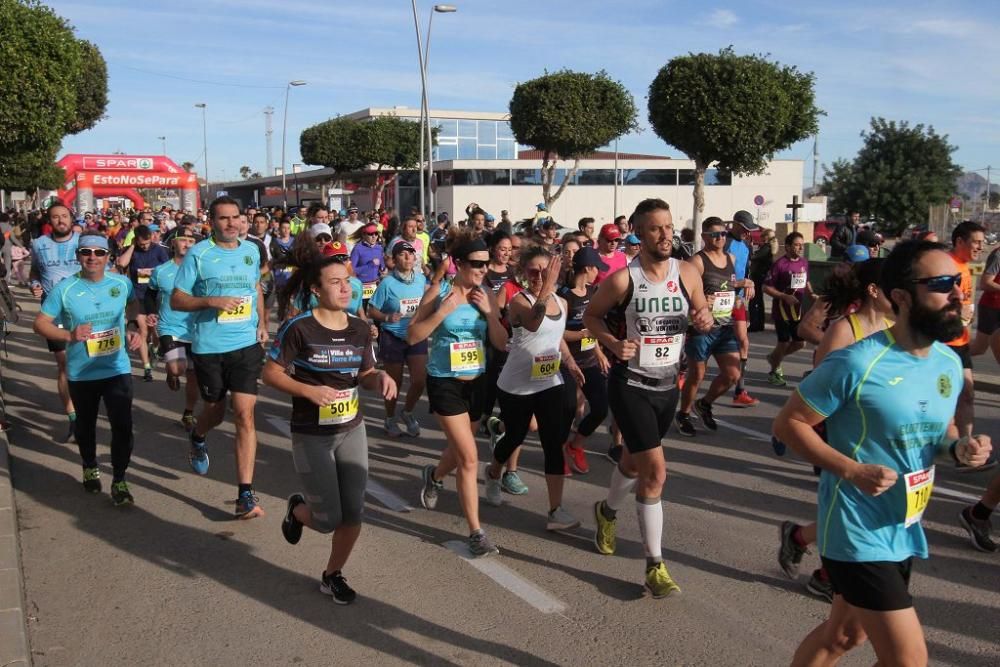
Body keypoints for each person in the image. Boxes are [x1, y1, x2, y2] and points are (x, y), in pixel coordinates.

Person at [773, 239, 992, 667]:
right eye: (943, 284)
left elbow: (938, 437)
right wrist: (851, 470)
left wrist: (959, 448)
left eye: (960, 284)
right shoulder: (858, 362)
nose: (957, 294)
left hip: (903, 524)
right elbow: (789, 424)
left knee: (842, 637)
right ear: (901, 297)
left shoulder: (946, 363)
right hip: (855, 529)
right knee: (909, 661)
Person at [584, 198, 713, 598]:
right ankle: (655, 566)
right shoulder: (624, 279)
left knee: (633, 463)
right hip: (631, 384)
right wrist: (611, 342)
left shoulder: (688, 271)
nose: (665, 235)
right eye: (655, 228)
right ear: (638, 233)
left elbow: (702, 309)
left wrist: (704, 317)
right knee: (656, 473)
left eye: (669, 227)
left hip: (666, 386)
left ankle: (606, 511)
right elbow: (591, 316)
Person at [263, 244, 396, 605]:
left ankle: (332, 574)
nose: (344, 288)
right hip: (312, 435)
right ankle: (297, 510)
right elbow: (270, 373)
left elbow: (365, 373)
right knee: (326, 519)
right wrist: (308, 390)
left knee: (353, 512)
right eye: (334, 282)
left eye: (347, 281)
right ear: (317, 290)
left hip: (352, 428)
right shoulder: (298, 328)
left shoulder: (359, 328)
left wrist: (379, 378)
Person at [777, 258, 892, 602]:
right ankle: (828, 576)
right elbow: (820, 380)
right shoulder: (845, 329)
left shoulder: (894, 325)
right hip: (838, 431)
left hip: (874, 432)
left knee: (857, 507)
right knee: (852, 507)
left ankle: (799, 539)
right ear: (874, 290)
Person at [410, 228, 508, 557]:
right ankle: (476, 532)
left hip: (478, 383)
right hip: (445, 381)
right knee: (469, 458)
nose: (482, 269)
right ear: (457, 263)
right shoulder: (437, 293)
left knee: (458, 450)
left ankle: (434, 476)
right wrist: (441, 313)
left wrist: (491, 314)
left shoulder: (487, 294)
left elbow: (501, 343)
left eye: (485, 263)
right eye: (475, 264)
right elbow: (412, 336)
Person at [171, 196, 269, 519]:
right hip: (209, 347)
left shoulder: (251, 251)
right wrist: (211, 301)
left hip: (245, 344)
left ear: (242, 219)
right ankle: (198, 435)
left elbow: (255, 289)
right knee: (214, 411)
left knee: (244, 414)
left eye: (235, 217)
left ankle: (245, 494)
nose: (231, 223)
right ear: (211, 222)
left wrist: (263, 324)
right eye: (223, 218)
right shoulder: (199, 255)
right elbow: (177, 299)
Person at [32, 232, 143, 505]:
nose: (92, 257)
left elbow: (132, 304)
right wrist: (70, 335)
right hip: (82, 372)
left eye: (99, 253)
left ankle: (119, 480)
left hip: (117, 367)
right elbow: (40, 324)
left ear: (108, 257)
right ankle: (89, 464)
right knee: (86, 426)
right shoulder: (65, 289)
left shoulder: (121, 283)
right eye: (86, 252)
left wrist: (131, 327)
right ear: (78, 256)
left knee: (123, 426)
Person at [483, 247, 584, 531]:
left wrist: (571, 362)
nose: (540, 276)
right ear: (523, 274)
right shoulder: (519, 301)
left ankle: (555, 510)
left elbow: (557, 336)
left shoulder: (562, 303)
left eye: (545, 271)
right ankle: (493, 472)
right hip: (516, 385)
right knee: (515, 436)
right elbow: (534, 321)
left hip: (549, 382)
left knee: (553, 444)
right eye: (533, 271)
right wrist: (547, 288)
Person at [675, 217, 752, 438]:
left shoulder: (730, 257)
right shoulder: (697, 262)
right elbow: (681, 292)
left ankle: (705, 403)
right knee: (697, 375)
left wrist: (741, 291)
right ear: (704, 237)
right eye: (715, 235)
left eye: (723, 234)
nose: (720, 238)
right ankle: (684, 413)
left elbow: (727, 286)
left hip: (724, 326)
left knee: (732, 374)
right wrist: (698, 303)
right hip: (701, 328)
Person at [29, 203, 80, 442]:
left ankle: (86, 408)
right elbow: (34, 273)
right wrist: (34, 285)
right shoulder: (39, 244)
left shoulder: (83, 242)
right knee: (65, 364)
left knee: (86, 364)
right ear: (49, 220)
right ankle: (74, 419)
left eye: (64, 216)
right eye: (55, 217)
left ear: (71, 218)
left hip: (83, 309)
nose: (60, 220)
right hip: (53, 312)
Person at [559, 246, 612, 471]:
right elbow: (557, 333)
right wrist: (581, 334)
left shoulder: (594, 293)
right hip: (566, 362)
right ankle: (559, 452)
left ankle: (576, 445)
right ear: (588, 268)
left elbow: (595, 328)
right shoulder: (564, 295)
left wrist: (599, 352)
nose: (598, 273)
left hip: (589, 360)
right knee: (567, 410)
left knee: (601, 407)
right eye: (596, 269)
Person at [368, 241, 428, 438]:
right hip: (392, 336)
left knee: (419, 380)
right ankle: (390, 417)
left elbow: (428, 302)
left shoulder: (420, 280)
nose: (408, 258)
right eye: (402, 255)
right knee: (395, 382)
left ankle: (407, 412)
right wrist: (386, 317)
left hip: (415, 335)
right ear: (394, 260)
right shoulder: (387, 283)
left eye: (411, 254)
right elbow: (372, 309)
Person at [146, 227, 201, 431]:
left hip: (196, 329)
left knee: (193, 376)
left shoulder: (201, 269)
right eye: (183, 240)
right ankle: (172, 372)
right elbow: (150, 294)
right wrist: (151, 312)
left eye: (191, 240)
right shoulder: (161, 271)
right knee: (178, 368)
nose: (187, 244)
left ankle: (188, 413)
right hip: (170, 327)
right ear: (173, 244)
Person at [944, 220, 985, 440]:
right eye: (976, 242)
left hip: (961, 342)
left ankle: (966, 446)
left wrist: (966, 316)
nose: (980, 247)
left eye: (982, 242)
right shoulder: (947, 266)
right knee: (946, 397)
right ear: (960, 241)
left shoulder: (964, 266)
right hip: (944, 343)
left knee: (967, 394)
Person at [116, 224, 169, 382]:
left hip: (155, 296)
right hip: (138, 296)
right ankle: (146, 367)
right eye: (141, 244)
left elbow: (167, 270)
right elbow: (121, 264)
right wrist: (132, 246)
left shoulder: (159, 250)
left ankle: (155, 348)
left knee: (156, 331)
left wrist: (153, 273)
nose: (145, 247)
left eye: (147, 243)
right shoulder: (132, 250)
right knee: (143, 331)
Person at [763, 232, 812, 386]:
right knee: (783, 342)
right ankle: (774, 371)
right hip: (782, 310)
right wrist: (784, 297)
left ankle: (774, 357)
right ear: (788, 246)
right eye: (797, 244)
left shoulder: (804, 262)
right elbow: (766, 287)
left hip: (797, 310)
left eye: (802, 244)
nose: (800, 247)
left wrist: (812, 294)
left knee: (800, 343)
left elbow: (806, 280)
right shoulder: (780, 264)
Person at [725, 211, 759, 407]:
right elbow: (718, 276)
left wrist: (750, 284)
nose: (748, 233)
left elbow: (747, 272)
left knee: (743, 342)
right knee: (703, 343)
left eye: (750, 230)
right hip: (718, 300)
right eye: (745, 229)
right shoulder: (725, 243)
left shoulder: (747, 244)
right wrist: (740, 282)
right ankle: (684, 368)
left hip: (736, 301)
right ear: (735, 225)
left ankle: (740, 390)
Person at [349, 222, 384, 307]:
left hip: (375, 285)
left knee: (376, 313)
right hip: (362, 286)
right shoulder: (357, 248)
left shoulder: (379, 248)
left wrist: (383, 269)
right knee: (362, 315)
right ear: (364, 235)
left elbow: (382, 264)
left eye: (376, 234)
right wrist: (369, 265)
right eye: (370, 234)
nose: (374, 236)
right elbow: (351, 270)